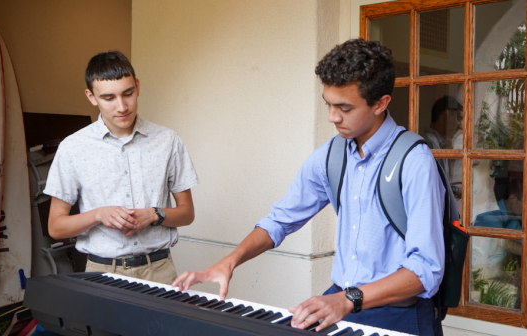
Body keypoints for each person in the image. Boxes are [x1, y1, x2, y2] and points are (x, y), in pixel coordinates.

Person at [172, 39, 445, 336]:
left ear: (380, 103)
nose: (332, 117)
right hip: (342, 302)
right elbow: (280, 220)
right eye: (328, 103)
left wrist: (345, 300)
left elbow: (425, 270)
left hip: (399, 315)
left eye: (344, 107)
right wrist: (229, 262)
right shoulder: (331, 155)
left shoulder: (414, 161)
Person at [44, 51, 199, 285]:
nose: (122, 106)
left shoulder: (168, 140)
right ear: (91, 96)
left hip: (160, 271)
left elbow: (187, 213)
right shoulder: (73, 148)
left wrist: (154, 214)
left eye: (128, 93)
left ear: (137, 86)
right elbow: (56, 227)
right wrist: (98, 214)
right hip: (102, 273)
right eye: (108, 98)